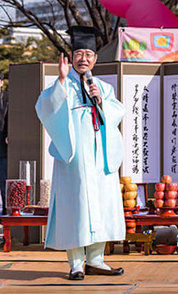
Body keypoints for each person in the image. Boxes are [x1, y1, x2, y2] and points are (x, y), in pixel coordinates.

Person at [35, 26, 125, 280]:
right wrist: (61, 81)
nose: (83, 58)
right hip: (74, 160)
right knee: (76, 209)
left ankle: (96, 260)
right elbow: (45, 108)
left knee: (101, 208)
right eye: (78, 53)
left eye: (88, 54)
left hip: (100, 159)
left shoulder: (104, 88)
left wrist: (102, 103)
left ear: (95, 58)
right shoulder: (61, 85)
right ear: (71, 57)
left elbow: (118, 112)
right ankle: (76, 264)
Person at [0, 71, 8, 215]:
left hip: (3, 147)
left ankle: (6, 215)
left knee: (3, 183)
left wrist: (10, 134)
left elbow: (14, 118)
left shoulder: (8, 97)